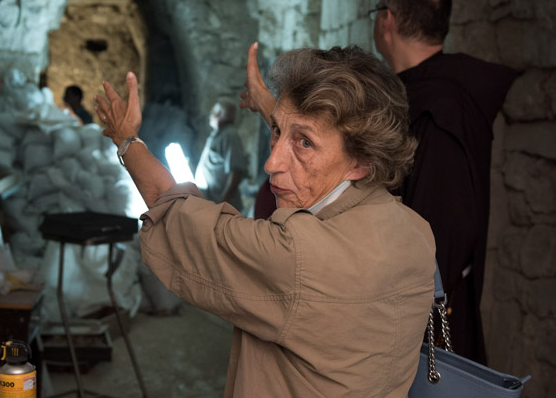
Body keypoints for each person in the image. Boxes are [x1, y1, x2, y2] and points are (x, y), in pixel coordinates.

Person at [95, 44, 436, 397]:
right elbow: (329, 139)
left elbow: (178, 216)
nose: (271, 163)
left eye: (303, 143)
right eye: (276, 131)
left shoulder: (293, 257)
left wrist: (126, 139)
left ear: (361, 161)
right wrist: (270, 107)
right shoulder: (415, 231)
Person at [370, 0, 519, 363]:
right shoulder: (422, 93)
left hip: (420, 322)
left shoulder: (441, 108)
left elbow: (444, 234)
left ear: (387, 20)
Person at [194, 98, 246, 211]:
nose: (210, 115)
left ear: (219, 114)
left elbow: (236, 171)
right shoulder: (217, 134)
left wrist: (224, 200)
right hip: (212, 203)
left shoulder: (230, 135)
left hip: (223, 207)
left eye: (213, 111)